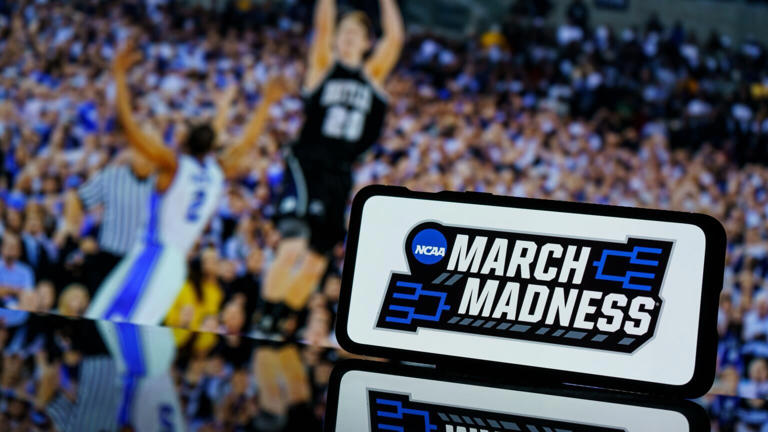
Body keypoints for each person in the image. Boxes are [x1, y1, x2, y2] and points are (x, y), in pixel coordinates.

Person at [85, 43, 289, 326]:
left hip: (153, 256)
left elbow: (129, 128)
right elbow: (247, 140)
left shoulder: (173, 165)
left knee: (109, 326)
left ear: (183, 140)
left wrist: (119, 76)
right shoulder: (217, 171)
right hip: (175, 264)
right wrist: (264, 103)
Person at [264, 0, 404, 332]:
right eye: (344, 32)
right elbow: (323, 24)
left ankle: (282, 323)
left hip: (339, 175)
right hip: (307, 166)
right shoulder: (323, 66)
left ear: (367, 43)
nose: (348, 37)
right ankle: (263, 315)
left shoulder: (373, 75)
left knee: (316, 261)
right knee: (293, 245)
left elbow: (395, 38)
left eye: (355, 33)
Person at [62, 149, 155, 293]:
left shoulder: (160, 183)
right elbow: (77, 198)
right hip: (109, 257)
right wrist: (77, 234)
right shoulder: (112, 176)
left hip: (143, 261)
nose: (146, 160)